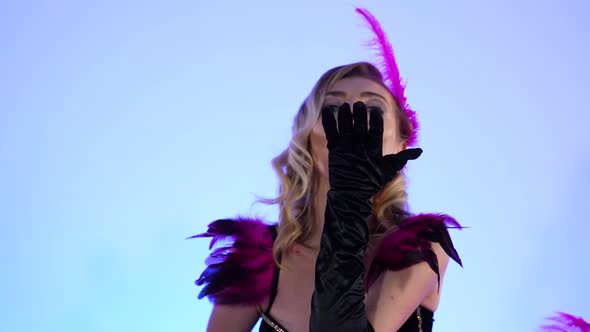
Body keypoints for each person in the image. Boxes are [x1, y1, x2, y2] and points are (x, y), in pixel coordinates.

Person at [188, 8, 462, 332]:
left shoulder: (420, 246)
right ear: (305, 137)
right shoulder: (260, 258)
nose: (353, 115)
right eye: (333, 107)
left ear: (402, 143)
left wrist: (350, 197)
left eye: (372, 107)